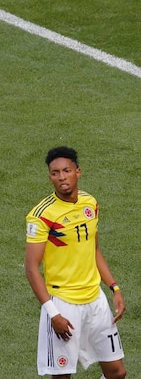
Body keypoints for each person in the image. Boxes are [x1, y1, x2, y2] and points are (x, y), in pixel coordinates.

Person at [24, 147, 126, 379]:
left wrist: (114, 287)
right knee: (62, 377)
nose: (61, 177)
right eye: (55, 173)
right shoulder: (42, 215)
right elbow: (31, 268)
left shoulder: (90, 203)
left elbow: (94, 249)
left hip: (96, 301)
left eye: (66, 171)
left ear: (77, 172)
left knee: (117, 373)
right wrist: (53, 314)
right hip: (64, 304)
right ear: (50, 177)